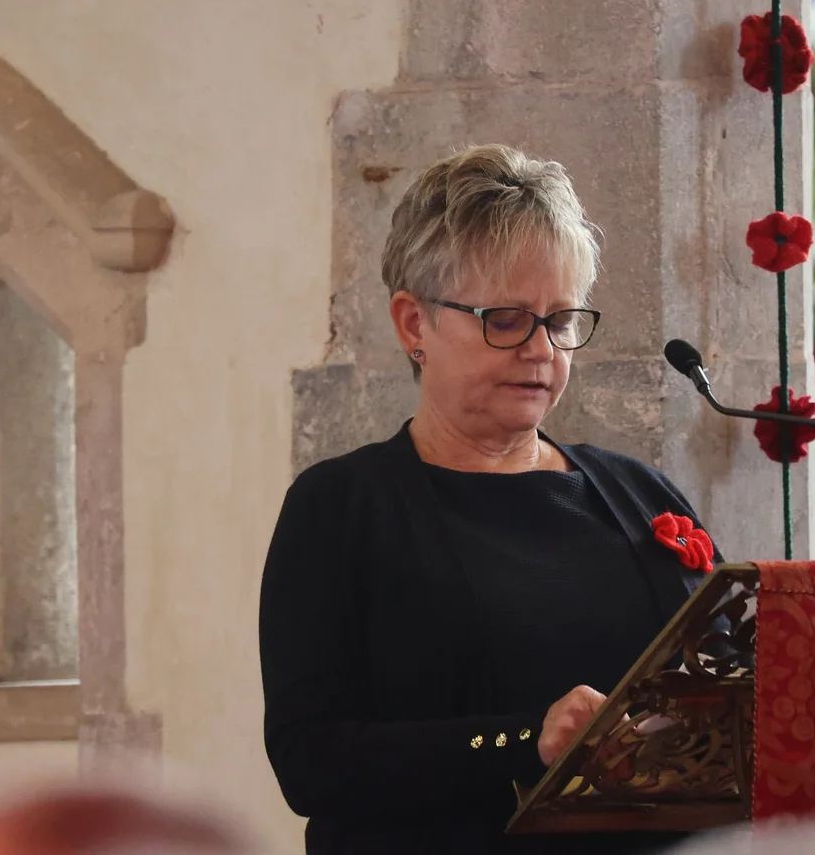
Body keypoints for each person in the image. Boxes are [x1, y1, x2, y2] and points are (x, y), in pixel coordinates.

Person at [259, 145, 722, 854]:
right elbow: (309, 762)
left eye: (560, 320)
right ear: (414, 324)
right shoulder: (342, 509)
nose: (541, 350)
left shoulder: (639, 492)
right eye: (505, 319)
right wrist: (522, 738)